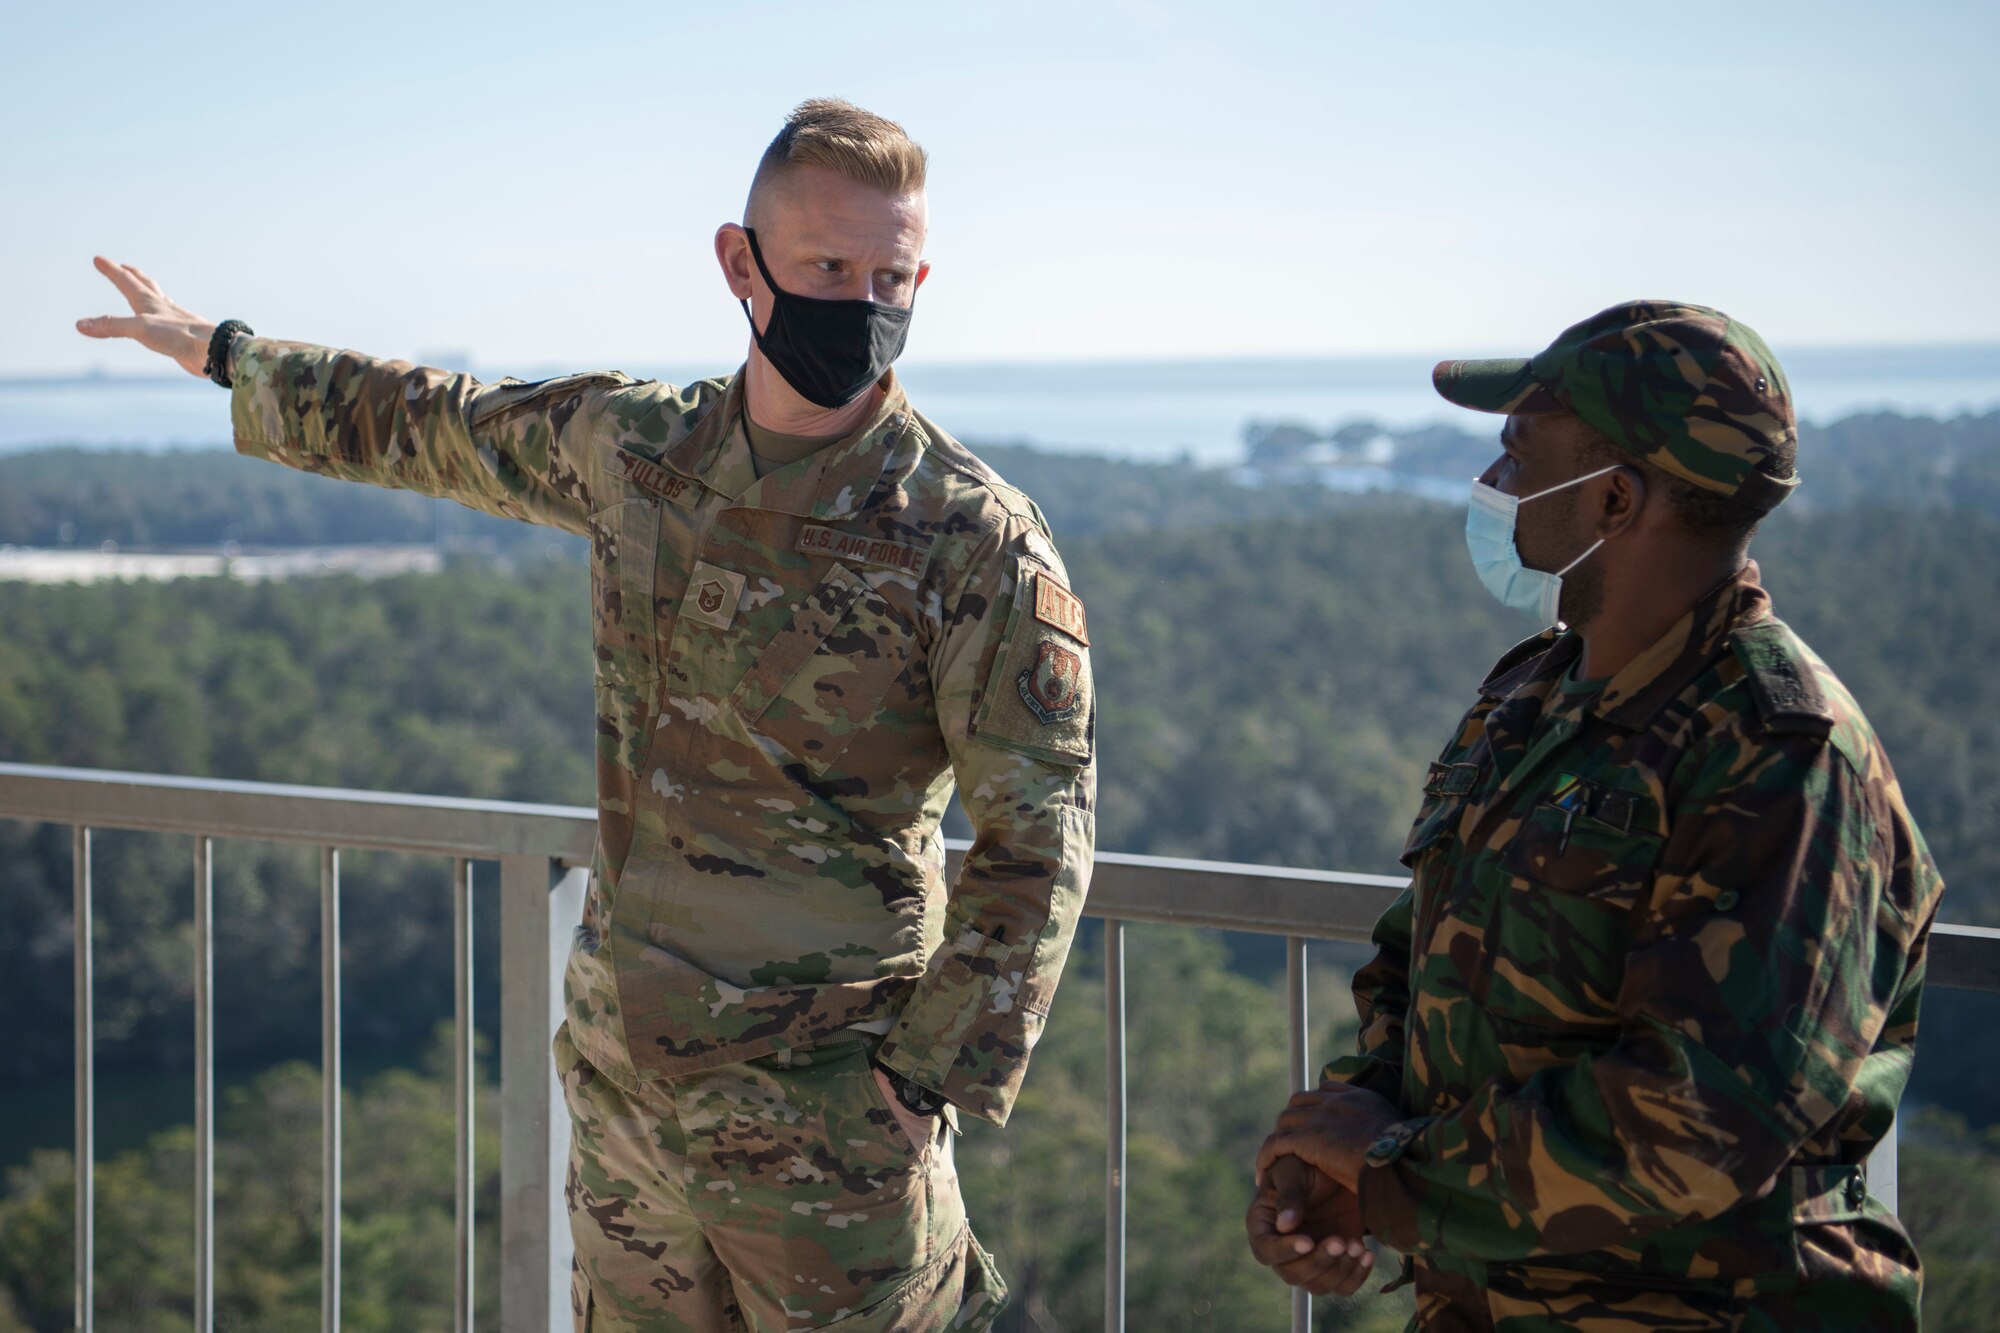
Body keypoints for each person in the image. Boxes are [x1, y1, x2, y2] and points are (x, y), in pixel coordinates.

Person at [78, 98, 1096, 1333]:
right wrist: (231, 354)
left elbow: (1037, 844)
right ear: (741, 262)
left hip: (826, 1121)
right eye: (828, 267)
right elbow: (437, 422)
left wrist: (912, 1086)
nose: (863, 302)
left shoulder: (968, 537)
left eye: (890, 274)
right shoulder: (639, 450)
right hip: (628, 1091)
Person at [1245, 301, 1943, 1330]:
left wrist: (1399, 1166)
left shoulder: (1779, 755)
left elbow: (1697, 1119)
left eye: (1518, 456)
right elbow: (1419, 962)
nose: (1494, 488)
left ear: (1613, 499)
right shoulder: (1532, 696)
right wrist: (1346, 1149)